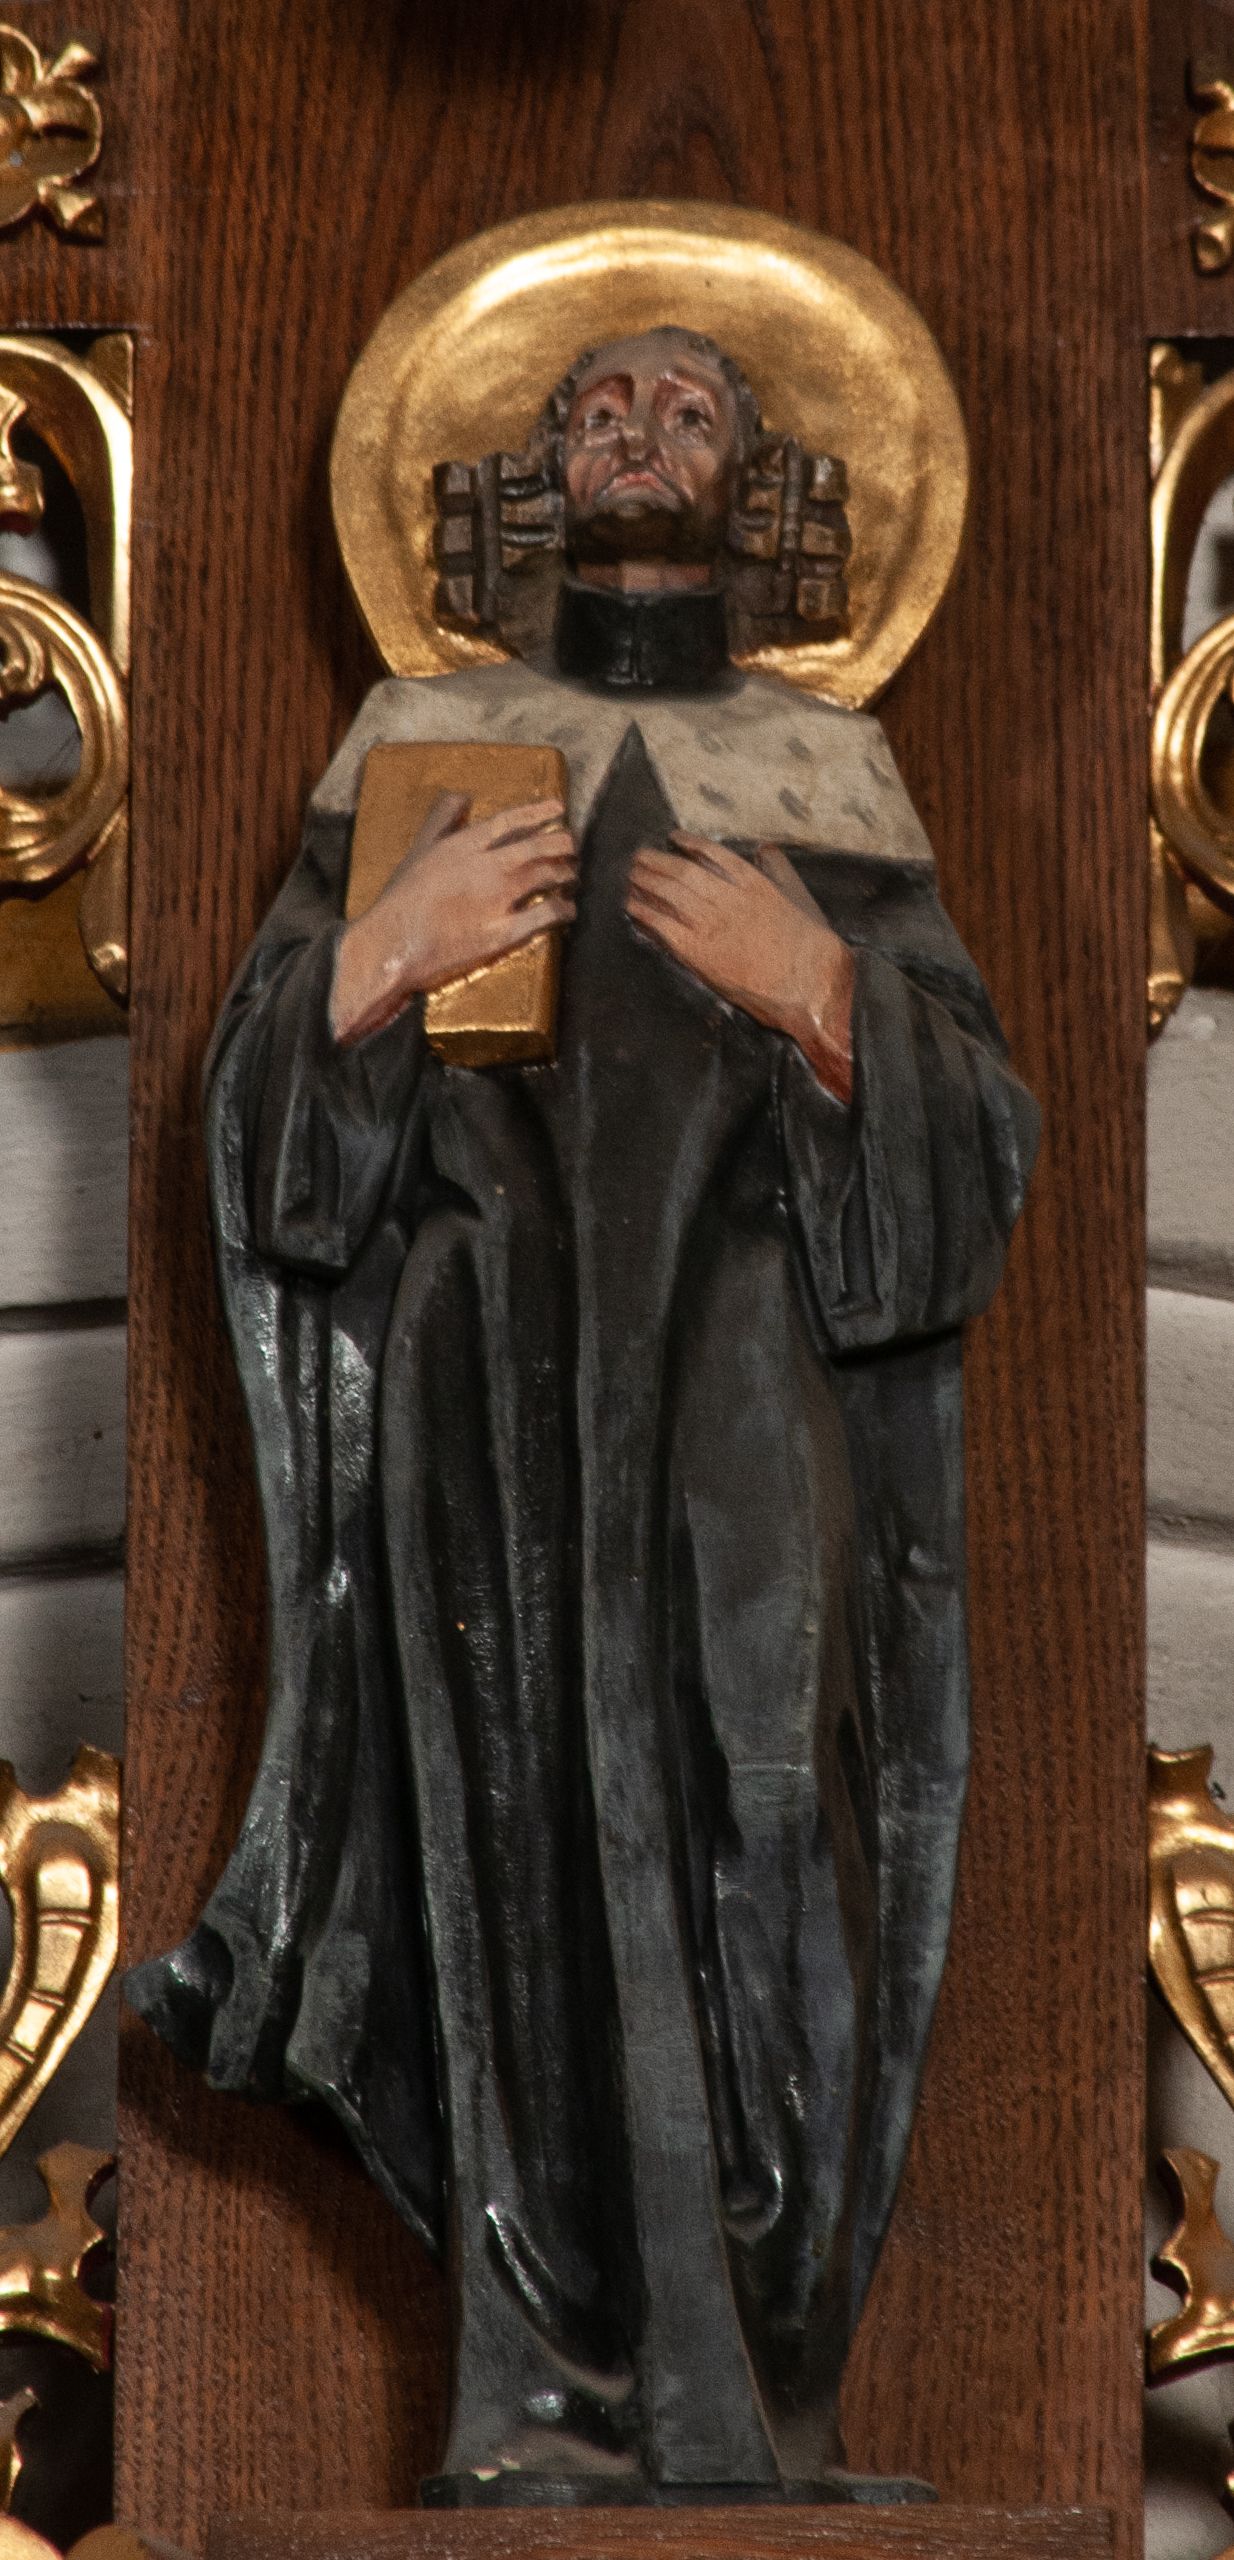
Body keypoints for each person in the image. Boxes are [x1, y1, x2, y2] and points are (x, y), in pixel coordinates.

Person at [128, 326, 1040, 2506]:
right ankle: (538, 2394)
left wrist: (816, 990)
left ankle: (761, 2389)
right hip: (487, 1391)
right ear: (534, 470)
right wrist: (394, 941)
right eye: (600, 410)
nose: (641, 437)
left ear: (760, 483)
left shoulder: (825, 774)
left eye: (688, 411)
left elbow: (975, 1154)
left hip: (744, 1377)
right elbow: (265, 1143)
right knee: (515, 1832)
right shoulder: (420, 748)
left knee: (769, 1811)